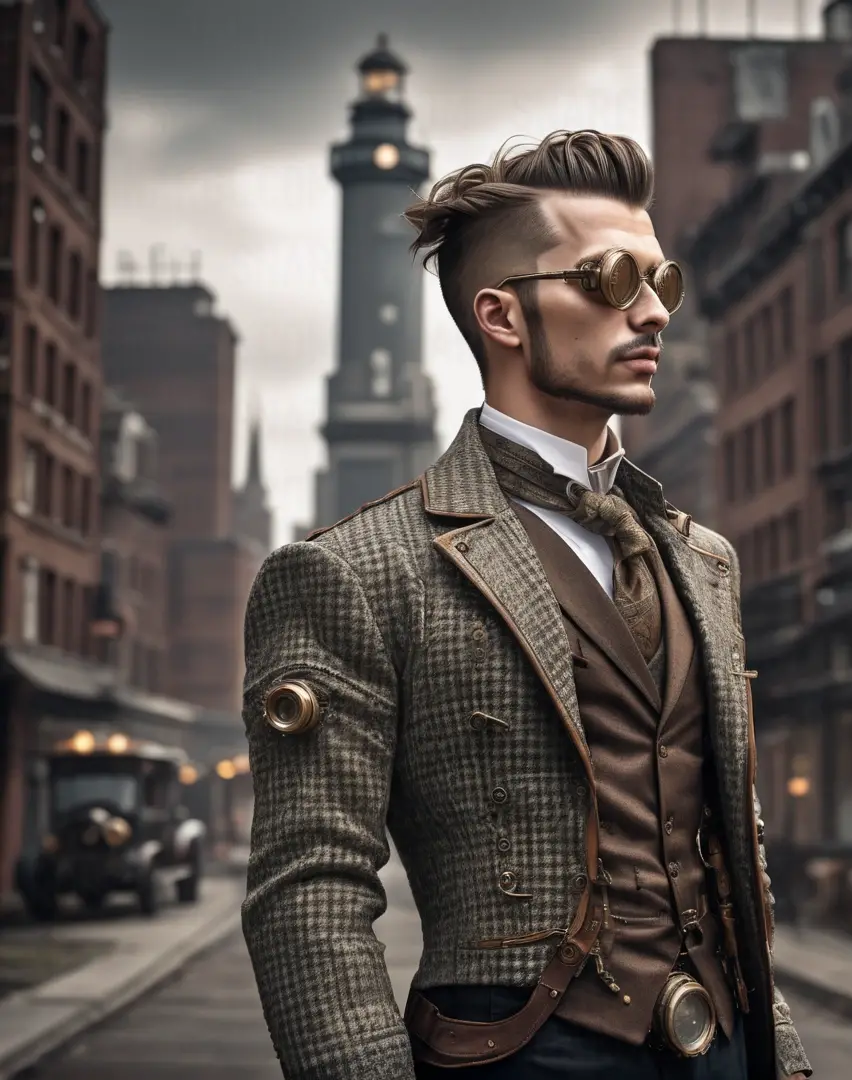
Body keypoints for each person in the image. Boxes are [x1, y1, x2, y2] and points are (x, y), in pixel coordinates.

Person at [241, 129, 812, 1080]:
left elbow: (728, 857)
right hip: (514, 1055)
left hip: (726, 1050)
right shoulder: (357, 569)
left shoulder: (701, 558)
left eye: (661, 282)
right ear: (502, 316)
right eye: (611, 278)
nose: (653, 313)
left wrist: (780, 1057)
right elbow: (311, 889)